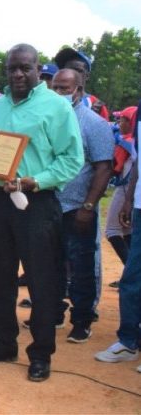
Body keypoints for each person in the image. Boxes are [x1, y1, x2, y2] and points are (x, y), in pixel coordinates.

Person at [0, 44, 83, 382]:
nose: (18, 74)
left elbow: (70, 159)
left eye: (25, 68)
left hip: (36, 202)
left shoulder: (57, 107)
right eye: (12, 68)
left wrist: (36, 181)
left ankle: (41, 354)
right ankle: (3, 343)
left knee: (42, 280)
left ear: (37, 70)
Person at [49, 68, 113, 344]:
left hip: (77, 208)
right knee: (49, 266)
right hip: (48, 206)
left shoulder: (94, 124)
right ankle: (54, 313)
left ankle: (82, 319)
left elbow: (103, 168)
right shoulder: (48, 120)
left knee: (81, 267)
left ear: (79, 90)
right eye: (55, 88)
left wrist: (89, 206)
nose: (59, 93)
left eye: (65, 88)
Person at [96, 100, 141, 373]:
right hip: (139, 205)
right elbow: (137, 158)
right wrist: (128, 198)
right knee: (132, 279)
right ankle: (128, 342)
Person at [104, 106, 136, 276]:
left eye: (122, 119)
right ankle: (132, 272)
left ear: (130, 122)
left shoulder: (125, 142)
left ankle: (132, 273)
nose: (119, 123)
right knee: (127, 231)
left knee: (112, 231)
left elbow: (114, 169)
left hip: (126, 190)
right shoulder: (135, 141)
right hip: (133, 192)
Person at [54, 48, 108, 120]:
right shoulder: (51, 100)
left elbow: (103, 129)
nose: (72, 74)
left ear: (87, 76)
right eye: (68, 70)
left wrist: (92, 118)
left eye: (78, 70)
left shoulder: (96, 105)